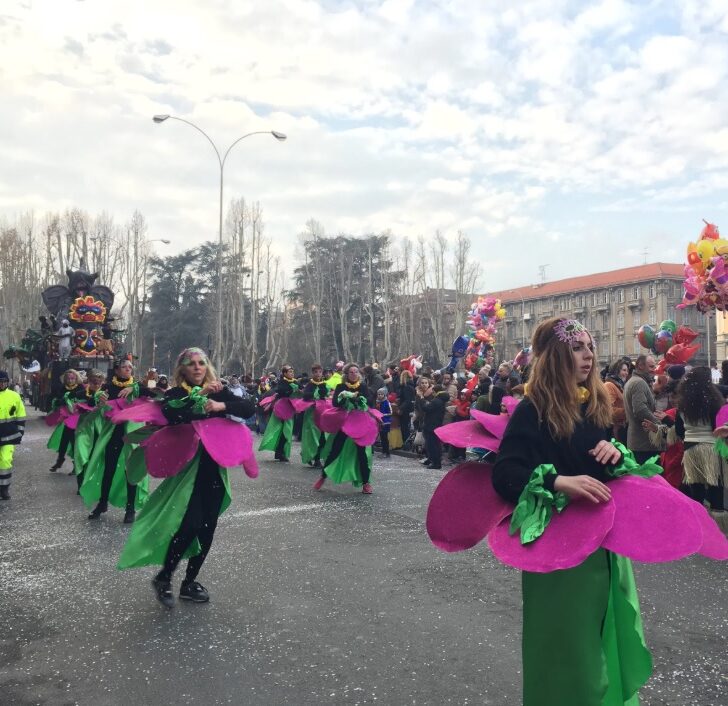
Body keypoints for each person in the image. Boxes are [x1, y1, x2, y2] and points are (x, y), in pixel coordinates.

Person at [492, 317, 650, 706]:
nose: (589, 356)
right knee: (566, 648)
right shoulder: (533, 409)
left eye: (590, 347)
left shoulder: (594, 404)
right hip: (557, 551)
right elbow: (505, 473)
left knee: (604, 636)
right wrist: (560, 481)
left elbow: (609, 464)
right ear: (556, 356)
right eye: (578, 347)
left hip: (604, 546)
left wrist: (617, 454)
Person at [118, 347, 257, 607]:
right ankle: (164, 577)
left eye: (201, 363)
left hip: (213, 466)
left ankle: (189, 582)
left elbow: (249, 407)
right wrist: (199, 398)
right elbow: (173, 414)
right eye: (191, 364)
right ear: (183, 369)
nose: (197, 368)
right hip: (188, 469)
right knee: (190, 524)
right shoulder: (176, 393)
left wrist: (221, 404)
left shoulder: (218, 389)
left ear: (207, 367)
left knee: (208, 528)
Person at [81, 360, 152, 523]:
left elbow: (153, 393)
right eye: (124, 367)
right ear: (117, 370)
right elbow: (92, 403)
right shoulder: (108, 387)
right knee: (109, 468)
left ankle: (130, 508)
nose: (128, 370)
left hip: (132, 434)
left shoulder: (137, 385)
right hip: (113, 433)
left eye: (130, 367)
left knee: (131, 470)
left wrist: (134, 388)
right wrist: (98, 398)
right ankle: (103, 503)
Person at [315, 364, 375, 494]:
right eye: (351, 372)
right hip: (346, 421)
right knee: (335, 450)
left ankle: (366, 483)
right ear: (346, 374)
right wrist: (345, 398)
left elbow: (370, 401)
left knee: (362, 453)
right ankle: (323, 476)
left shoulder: (363, 386)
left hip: (359, 421)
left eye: (356, 372)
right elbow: (336, 402)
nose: (354, 374)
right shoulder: (341, 387)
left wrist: (361, 399)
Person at [623, 354, 661, 463]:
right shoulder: (639, 382)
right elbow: (640, 409)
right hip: (643, 444)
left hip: (638, 442)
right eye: (651, 367)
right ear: (640, 366)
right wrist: (658, 425)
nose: (654, 370)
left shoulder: (634, 380)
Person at [47, 369, 86, 473]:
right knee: (64, 440)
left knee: (73, 442)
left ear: (76, 378)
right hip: (67, 419)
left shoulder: (81, 388)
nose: (70, 380)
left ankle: (73, 463)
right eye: (68, 378)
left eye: (72, 378)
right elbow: (57, 400)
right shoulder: (63, 388)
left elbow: (86, 401)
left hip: (79, 420)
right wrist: (62, 401)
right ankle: (61, 460)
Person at [258, 365, 298, 462]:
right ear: (284, 373)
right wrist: (291, 390)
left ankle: (280, 452)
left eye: (292, 371)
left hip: (290, 408)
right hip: (281, 408)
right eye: (289, 372)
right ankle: (280, 452)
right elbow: (280, 390)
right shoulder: (282, 382)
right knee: (281, 430)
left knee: (287, 431)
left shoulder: (295, 382)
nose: (292, 373)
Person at [0, 370, 26, 499]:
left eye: (3, 382)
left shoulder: (14, 396)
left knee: (5, 461)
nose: (1, 384)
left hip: (8, 435)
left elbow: (20, 414)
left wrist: (20, 432)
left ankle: (4, 488)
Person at [300, 364, 329, 467]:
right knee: (312, 437)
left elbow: (326, 395)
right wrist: (313, 396)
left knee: (322, 437)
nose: (318, 374)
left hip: (321, 413)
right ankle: (309, 455)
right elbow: (306, 396)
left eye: (320, 372)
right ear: (313, 373)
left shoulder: (324, 384)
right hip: (311, 415)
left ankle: (317, 458)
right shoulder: (310, 384)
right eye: (316, 372)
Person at [416, 380, 449, 469]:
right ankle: (431, 459)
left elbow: (426, 408)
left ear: (436, 392)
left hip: (432, 425)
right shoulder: (439, 400)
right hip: (433, 424)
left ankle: (436, 463)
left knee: (433, 445)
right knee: (431, 444)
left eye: (433, 392)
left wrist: (422, 398)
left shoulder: (437, 400)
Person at [603, 359, 629, 444]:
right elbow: (609, 410)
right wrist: (629, 412)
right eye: (624, 370)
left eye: (627, 371)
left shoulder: (620, 385)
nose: (626, 373)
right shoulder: (609, 385)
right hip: (615, 431)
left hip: (621, 429)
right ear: (616, 370)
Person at [397, 369, 416, 447]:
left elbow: (407, 400)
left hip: (405, 409)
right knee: (407, 427)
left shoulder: (406, 387)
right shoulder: (411, 386)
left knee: (405, 427)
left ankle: (407, 445)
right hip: (408, 408)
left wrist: (401, 408)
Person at [375, 387, 392, 458]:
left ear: (384, 395)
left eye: (381, 394)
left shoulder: (387, 402)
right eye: (378, 394)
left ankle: (387, 452)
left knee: (385, 437)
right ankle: (383, 451)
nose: (379, 396)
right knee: (382, 437)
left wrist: (382, 415)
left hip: (386, 422)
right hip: (379, 422)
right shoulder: (378, 402)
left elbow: (390, 412)